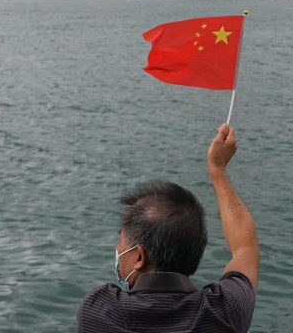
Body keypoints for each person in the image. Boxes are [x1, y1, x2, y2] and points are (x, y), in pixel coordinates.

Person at [76, 123, 259, 332]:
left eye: (121, 241)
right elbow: (246, 249)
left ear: (139, 257)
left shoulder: (100, 311)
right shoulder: (226, 309)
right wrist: (217, 170)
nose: (118, 251)